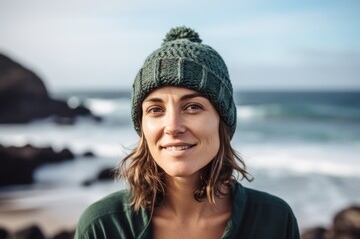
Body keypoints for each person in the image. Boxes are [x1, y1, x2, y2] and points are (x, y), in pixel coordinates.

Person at [74, 26, 300, 239]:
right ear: (142, 126)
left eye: (193, 107)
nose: (172, 126)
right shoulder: (101, 226)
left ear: (222, 119)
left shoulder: (275, 221)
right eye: (155, 109)